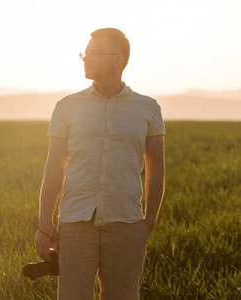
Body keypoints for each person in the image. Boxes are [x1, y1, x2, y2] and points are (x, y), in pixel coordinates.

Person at [35, 28, 165, 299]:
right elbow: (54, 166)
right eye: (85, 53)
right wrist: (45, 223)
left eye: (93, 53)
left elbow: (156, 167)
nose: (86, 58)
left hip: (126, 225)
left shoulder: (148, 108)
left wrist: (149, 221)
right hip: (75, 225)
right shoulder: (67, 106)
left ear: (117, 60)